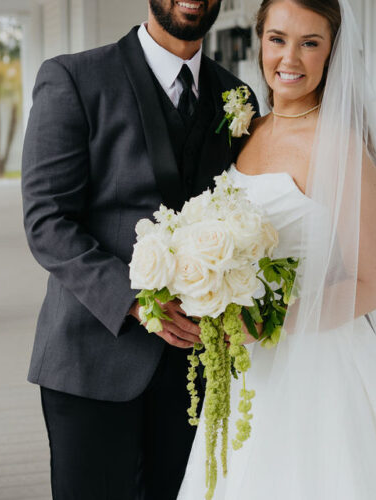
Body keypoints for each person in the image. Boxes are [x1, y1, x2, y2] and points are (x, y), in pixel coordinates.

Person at [177, 0, 376, 498]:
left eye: (309, 42)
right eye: (278, 39)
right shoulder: (249, 129)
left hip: (319, 364)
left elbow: (374, 284)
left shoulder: (338, 146)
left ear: (331, 51)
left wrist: (272, 321)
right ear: (260, 41)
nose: (289, 58)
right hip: (249, 367)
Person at [21, 0, 259, 498]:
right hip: (92, 359)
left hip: (195, 370)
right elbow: (47, 221)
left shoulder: (238, 97)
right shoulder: (73, 78)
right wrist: (133, 299)